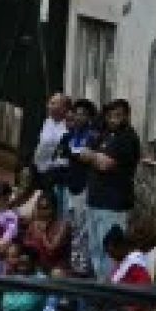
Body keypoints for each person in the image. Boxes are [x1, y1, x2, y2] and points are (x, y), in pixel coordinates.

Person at [76, 99, 141, 280]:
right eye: (110, 116)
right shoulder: (104, 133)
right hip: (95, 199)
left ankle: (110, 287)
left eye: (118, 116)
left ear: (127, 116)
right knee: (95, 248)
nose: (113, 120)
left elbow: (106, 164)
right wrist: (94, 156)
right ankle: (100, 284)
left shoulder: (127, 138)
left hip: (113, 204)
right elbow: (82, 153)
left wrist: (93, 156)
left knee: (111, 250)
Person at [46, 98, 98, 276]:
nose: (79, 117)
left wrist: (74, 156)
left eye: (84, 114)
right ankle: (74, 265)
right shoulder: (68, 137)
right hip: (68, 185)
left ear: (90, 117)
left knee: (84, 228)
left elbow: (86, 159)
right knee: (71, 225)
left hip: (85, 187)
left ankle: (84, 268)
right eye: (77, 113)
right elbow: (58, 159)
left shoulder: (92, 138)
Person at [22, 190, 71, 270]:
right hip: (38, 266)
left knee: (56, 272)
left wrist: (43, 234)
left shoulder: (63, 226)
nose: (42, 212)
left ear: (54, 209)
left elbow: (51, 250)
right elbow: (26, 246)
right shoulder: (33, 225)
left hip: (57, 267)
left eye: (45, 208)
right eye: (40, 208)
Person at [34, 92, 71, 176]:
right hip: (38, 169)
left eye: (53, 104)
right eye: (50, 103)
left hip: (57, 172)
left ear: (63, 108)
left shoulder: (68, 127)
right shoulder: (43, 121)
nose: (48, 106)